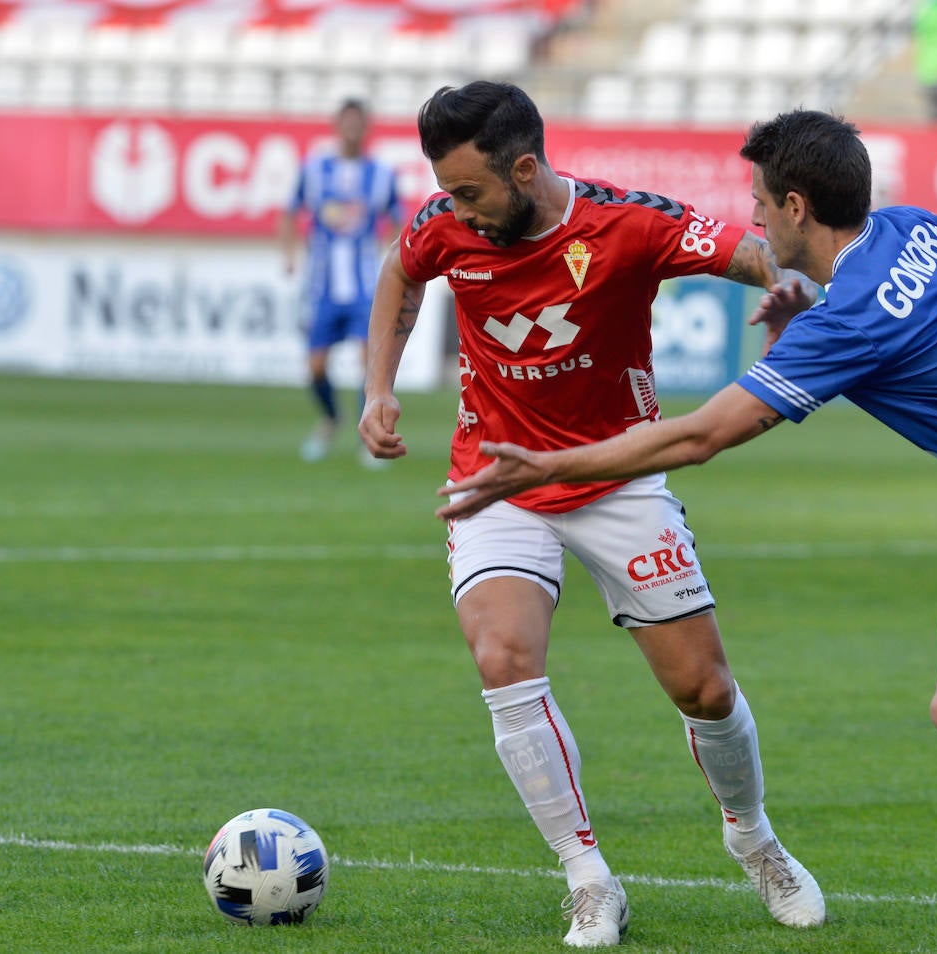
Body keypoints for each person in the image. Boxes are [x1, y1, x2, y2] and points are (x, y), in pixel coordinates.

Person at [438, 108, 937, 954]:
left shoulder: (848, 318)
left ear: (795, 206)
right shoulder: (914, 232)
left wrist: (548, 466)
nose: (749, 217)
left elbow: (700, 435)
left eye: (758, 200)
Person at [359, 81, 826, 947]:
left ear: (526, 169)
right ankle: (588, 878)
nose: (454, 210)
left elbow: (753, 252)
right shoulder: (442, 225)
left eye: (470, 191)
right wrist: (378, 387)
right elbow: (399, 272)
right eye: (447, 192)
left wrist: (786, 285)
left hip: (620, 476)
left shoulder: (626, 225)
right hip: (499, 479)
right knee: (503, 657)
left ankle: (754, 839)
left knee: (705, 688)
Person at [279, 98, 403, 466]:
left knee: (369, 364)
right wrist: (289, 255)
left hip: (365, 287)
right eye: (346, 122)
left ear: (366, 127)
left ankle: (370, 439)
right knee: (316, 367)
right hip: (323, 288)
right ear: (337, 125)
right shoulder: (314, 170)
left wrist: (390, 258)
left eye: (358, 123)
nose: (352, 129)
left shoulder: (381, 174)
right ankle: (332, 418)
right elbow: (289, 212)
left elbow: (398, 219)